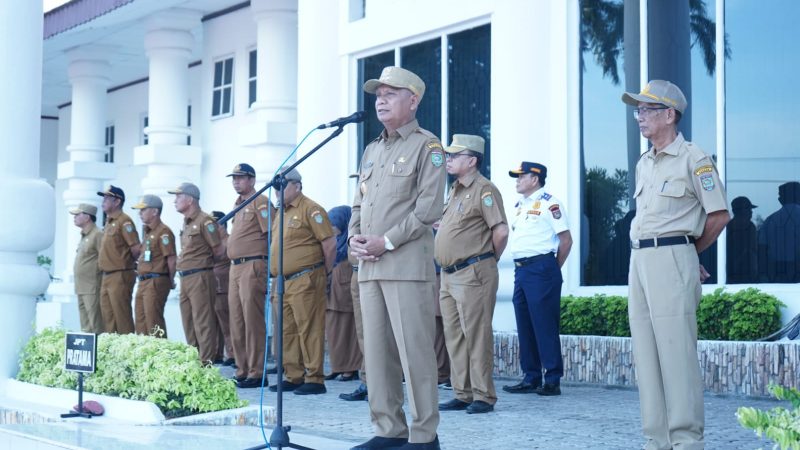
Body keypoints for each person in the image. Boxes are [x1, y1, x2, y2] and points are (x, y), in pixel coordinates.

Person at [622, 80, 729, 450]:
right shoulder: (644, 163)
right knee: (647, 358)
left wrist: (689, 252)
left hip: (672, 258)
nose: (640, 117)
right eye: (638, 110)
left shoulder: (693, 158)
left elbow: (719, 214)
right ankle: (657, 441)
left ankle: (686, 442)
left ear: (670, 115)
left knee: (676, 356)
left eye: (647, 110)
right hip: (639, 260)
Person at [349, 66, 446, 450]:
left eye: (391, 93)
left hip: (405, 267)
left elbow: (428, 209)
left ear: (413, 100)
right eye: (378, 95)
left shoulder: (428, 147)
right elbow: (360, 201)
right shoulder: (372, 149)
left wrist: (385, 242)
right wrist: (356, 238)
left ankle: (424, 436)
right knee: (377, 355)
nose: (381, 101)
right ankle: (388, 430)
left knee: (415, 355)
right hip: (369, 268)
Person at [434, 134, 508, 415]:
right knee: (454, 335)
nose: (449, 160)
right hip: (449, 275)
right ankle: (462, 393)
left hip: (473, 271)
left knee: (476, 335)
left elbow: (500, 231)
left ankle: (483, 395)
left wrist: (487, 259)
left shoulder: (484, 190)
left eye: (455, 156)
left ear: (472, 160)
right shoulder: (455, 190)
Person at [502, 162, 572, 397]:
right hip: (521, 270)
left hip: (541, 268)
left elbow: (566, 240)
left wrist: (551, 268)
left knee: (544, 325)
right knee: (525, 324)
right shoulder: (521, 206)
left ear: (535, 179)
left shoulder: (549, 204)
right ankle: (531, 376)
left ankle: (552, 378)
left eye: (522, 176)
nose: (517, 180)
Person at [268, 168, 335, 395]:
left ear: (297, 186)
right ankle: (293, 375)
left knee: (309, 328)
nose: (278, 191)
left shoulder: (311, 209)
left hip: (306, 277)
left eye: (283, 185)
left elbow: (329, 244)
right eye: (276, 186)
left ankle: (314, 378)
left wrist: (323, 274)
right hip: (282, 281)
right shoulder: (281, 212)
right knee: (286, 330)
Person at [226, 163, 273, 389]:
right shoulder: (238, 204)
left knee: (252, 320)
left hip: (253, 264)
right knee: (236, 320)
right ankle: (242, 369)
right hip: (235, 267)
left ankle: (257, 372)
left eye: (241, 178)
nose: (236, 181)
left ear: (252, 180)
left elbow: (272, 233)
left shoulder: (260, 202)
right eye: (234, 178)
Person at [169, 182, 223, 364]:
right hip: (185, 277)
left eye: (178, 196)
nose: (174, 201)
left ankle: (206, 362)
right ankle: (194, 358)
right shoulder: (186, 222)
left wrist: (203, 266)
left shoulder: (205, 221)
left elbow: (218, 250)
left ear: (190, 199)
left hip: (200, 276)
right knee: (188, 321)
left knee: (203, 321)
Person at [324, 205, 362, 382]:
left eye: (334, 222)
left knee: (349, 329)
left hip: (345, 291)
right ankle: (337, 366)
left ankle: (351, 367)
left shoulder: (351, 240)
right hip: (332, 292)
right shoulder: (334, 241)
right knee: (333, 330)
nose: (331, 226)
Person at [96, 185, 140, 334]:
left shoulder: (124, 221)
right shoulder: (109, 222)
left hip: (120, 274)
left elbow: (135, 248)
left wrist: (128, 265)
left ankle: (127, 352)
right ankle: (113, 353)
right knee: (108, 317)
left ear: (117, 201)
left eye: (107, 198)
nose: (103, 201)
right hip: (106, 275)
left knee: (122, 317)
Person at [131, 194, 176, 337]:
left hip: (156, 280)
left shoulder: (164, 232)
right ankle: (144, 354)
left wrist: (170, 280)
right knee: (140, 320)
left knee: (153, 321)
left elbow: (171, 258)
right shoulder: (148, 232)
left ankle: (159, 354)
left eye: (143, 210)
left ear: (155, 211)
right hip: (143, 281)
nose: (140, 213)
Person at [70, 203, 104, 333]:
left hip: (92, 286)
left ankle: (99, 350)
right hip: (81, 287)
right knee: (85, 325)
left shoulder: (97, 234)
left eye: (78, 215)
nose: (75, 217)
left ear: (88, 217)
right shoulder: (84, 235)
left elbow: (104, 259)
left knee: (96, 324)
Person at [758, 182, 800, 283]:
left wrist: (763, 274)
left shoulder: (770, 220)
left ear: (781, 200)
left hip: (776, 271)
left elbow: (761, 249)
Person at [211, 211, 235, 366]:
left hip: (223, 287)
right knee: (215, 323)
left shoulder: (227, 241)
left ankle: (232, 354)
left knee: (227, 324)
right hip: (213, 286)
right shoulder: (214, 242)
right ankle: (218, 352)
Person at [727, 197, 758, 284]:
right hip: (732, 272)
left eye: (750, 209)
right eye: (747, 209)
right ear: (736, 211)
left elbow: (754, 249)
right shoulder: (728, 228)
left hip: (750, 272)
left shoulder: (751, 226)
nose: (751, 211)